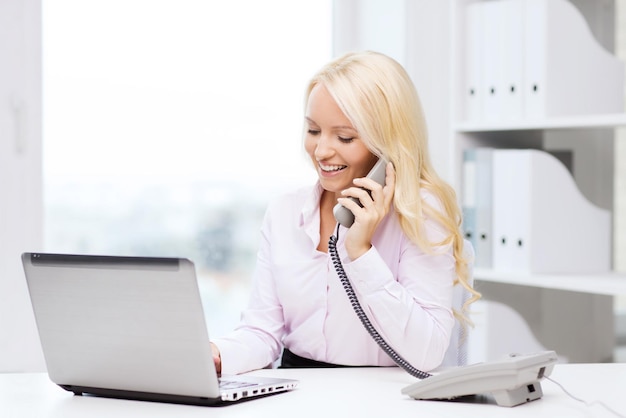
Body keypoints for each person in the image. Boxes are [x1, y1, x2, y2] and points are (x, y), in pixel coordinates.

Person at [211, 50, 479, 376]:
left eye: (344, 137)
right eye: (313, 131)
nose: (322, 150)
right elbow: (262, 332)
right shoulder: (285, 212)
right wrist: (218, 355)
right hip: (298, 390)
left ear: (388, 143)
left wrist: (361, 252)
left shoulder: (421, 213)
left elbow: (428, 352)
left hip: (384, 396)